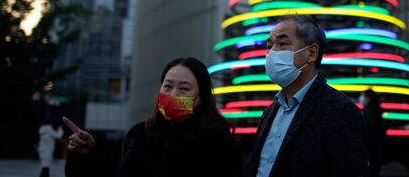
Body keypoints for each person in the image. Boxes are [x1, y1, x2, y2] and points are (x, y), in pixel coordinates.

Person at [63, 57, 241, 177]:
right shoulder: (139, 135)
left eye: (184, 89)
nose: (173, 94)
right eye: (168, 86)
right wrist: (87, 153)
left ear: (200, 98)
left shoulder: (219, 144)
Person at [243, 15, 369, 177]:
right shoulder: (270, 111)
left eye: (282, 44)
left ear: (311, 53)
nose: (272, 52)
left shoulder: (339, 111)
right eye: (269, 46)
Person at [359, 89, 385, 177]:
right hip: (377, 150)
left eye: (363, 96)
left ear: (369, 98)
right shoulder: (377, 112)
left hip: (370, 151)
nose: (361, 98)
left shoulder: (368, 114)